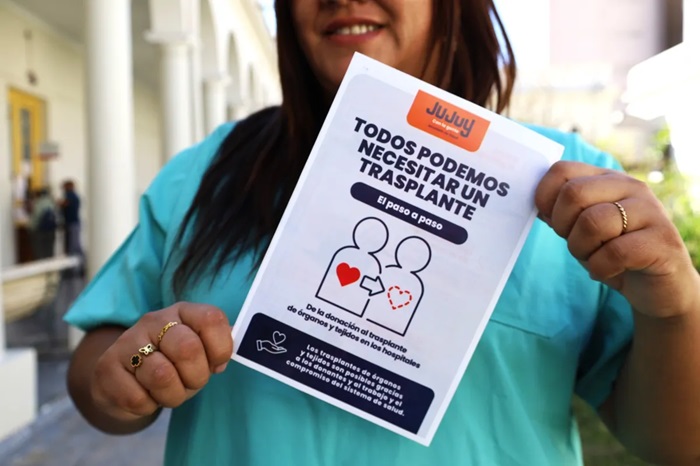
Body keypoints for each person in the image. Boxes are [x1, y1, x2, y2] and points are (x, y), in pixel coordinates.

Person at [64, 1, 700, 465]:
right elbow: (99, 366)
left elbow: (678, 443)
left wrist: (674, 307)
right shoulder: (206, 173)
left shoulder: (570, 188)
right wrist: (127, 377)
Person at [29, 187, 58, 260]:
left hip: (40, 230)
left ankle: (41, 265)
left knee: (40, 251)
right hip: (51, 230)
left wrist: (31, 228)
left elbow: (36, 216)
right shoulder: (52, 202)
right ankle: (50, 265)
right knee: (49, 250)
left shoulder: (39, 202)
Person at [59, 179, 82, 257]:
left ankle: (77, 261)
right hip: (71, 223)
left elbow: (65, 204)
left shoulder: (71, 195)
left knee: (73, 245)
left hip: (72, 223)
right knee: (72, 244)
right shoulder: (73, 195)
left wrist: (59, 203)